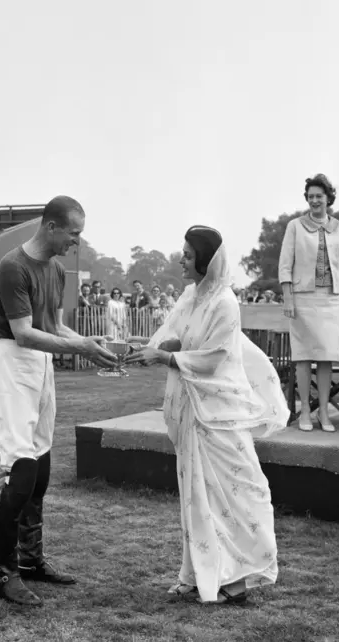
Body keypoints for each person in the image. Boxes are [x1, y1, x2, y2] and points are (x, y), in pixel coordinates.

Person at [126, 225, 289, 605]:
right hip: (189, 407)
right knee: (196, 496)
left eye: (186, 253)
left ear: (205, 258)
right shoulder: (189, 296)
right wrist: (151, 348)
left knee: (243, 490)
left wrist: (166, 357)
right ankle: (200, 573)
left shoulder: (225, 303)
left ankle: (242, 573)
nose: (181, 259)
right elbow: (178, 337)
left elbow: (215, 358)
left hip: (219, 410)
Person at [0, 195, 117, 607]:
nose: (76, 241)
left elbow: (55, 325)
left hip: (41, 368)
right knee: (20, 472)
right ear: (52, 227)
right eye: (73, 233)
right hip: (13, 366)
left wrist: (89, 343)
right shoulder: (12, 267)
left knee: (39, 472)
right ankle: (2, 573)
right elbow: (23, 332)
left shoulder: (56, 269)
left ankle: (29, 561)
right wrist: (78, 351)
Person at [278, 174, 339, 432]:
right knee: (303, 357)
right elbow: (285, 265)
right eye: (310, 196)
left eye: (319, 196)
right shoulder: (295, 226)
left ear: (328, 198)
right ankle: (305, 412)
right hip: (302, 299)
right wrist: (288, 297)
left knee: (326, 358)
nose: (314, 201)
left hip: (330, 300)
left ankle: (324, 412)